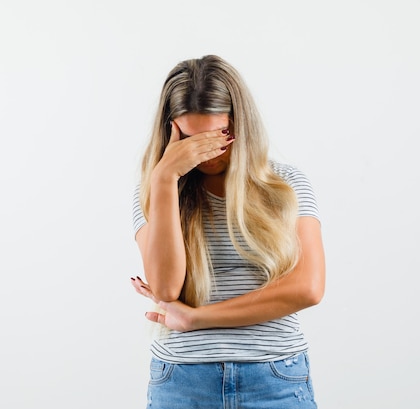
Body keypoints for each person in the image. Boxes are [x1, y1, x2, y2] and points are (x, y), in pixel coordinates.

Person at [130, 54, 325, 409]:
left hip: (274, 377)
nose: (206, 154)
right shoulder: (155, 192)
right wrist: (164, 178)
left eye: (218, 136)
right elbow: (166, 287)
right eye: (190, 140)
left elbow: (308, 288)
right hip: (183, 381)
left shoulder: (287, 185)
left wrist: (195, 317)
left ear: (241, 125)